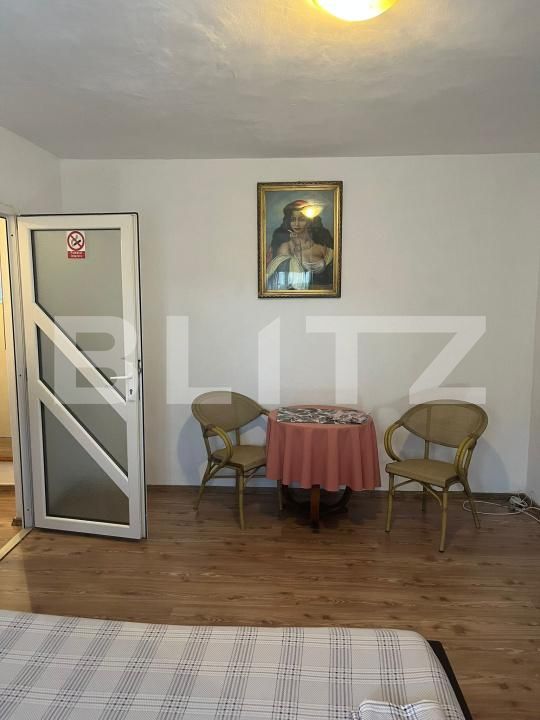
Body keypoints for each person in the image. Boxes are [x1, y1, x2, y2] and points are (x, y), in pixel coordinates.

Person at [266, 199, 334, 291]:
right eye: (293, 220)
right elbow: (280, 282)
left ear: (309, 221)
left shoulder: (322, 247)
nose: (296, 224)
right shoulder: (286, 247)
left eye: (301, 219)